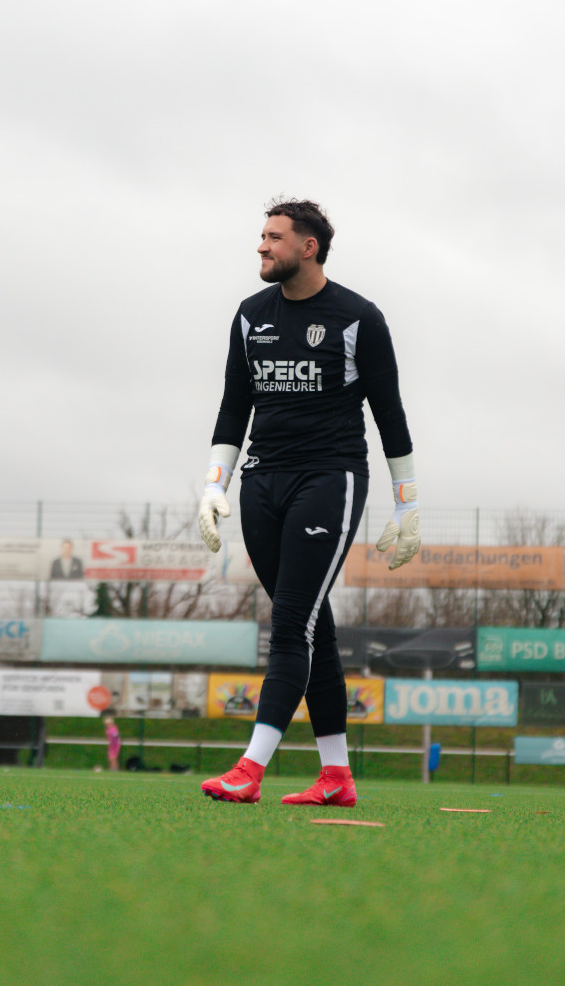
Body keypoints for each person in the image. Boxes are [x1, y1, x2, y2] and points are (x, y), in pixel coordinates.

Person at [198, 199, 420, 807]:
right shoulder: (249, 315)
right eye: (261, 238)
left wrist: (408, 507)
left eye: (273, 238)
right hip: (260, 482)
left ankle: (251, 767)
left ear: (308, 247)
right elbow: (232, 408)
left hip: (329, 479)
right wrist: (215, 482)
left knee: (290, 622)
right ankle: (336, 777)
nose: (262, 248)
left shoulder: (358, 317)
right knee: (313, 625)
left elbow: (390, 416)